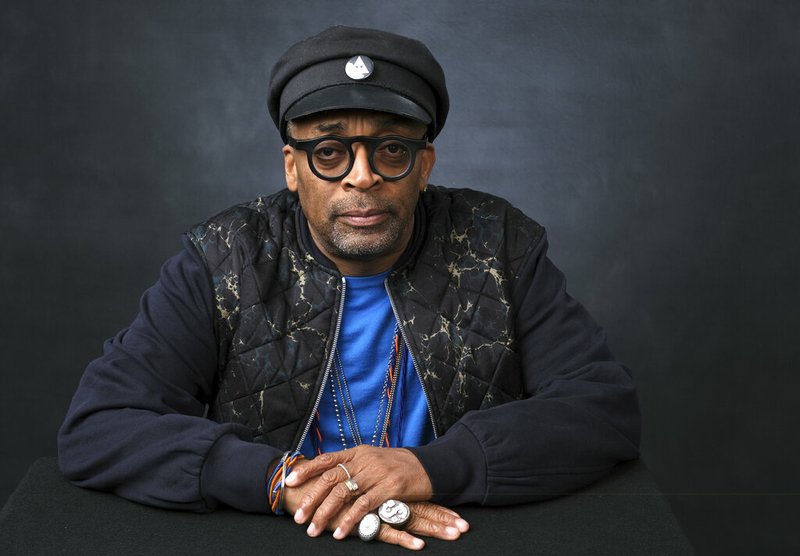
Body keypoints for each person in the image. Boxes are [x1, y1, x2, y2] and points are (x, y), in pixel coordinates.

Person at [58, 25, 640, 550]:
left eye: (391, 149)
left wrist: (431, 467)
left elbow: (602, 409)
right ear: (292, 166)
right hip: (281, 538)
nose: (362, 176)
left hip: (461, 537)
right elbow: (99, 426)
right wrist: (275, 481)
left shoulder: (500, 245)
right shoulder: (222, 259)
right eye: (329, 152)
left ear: (425, 164)